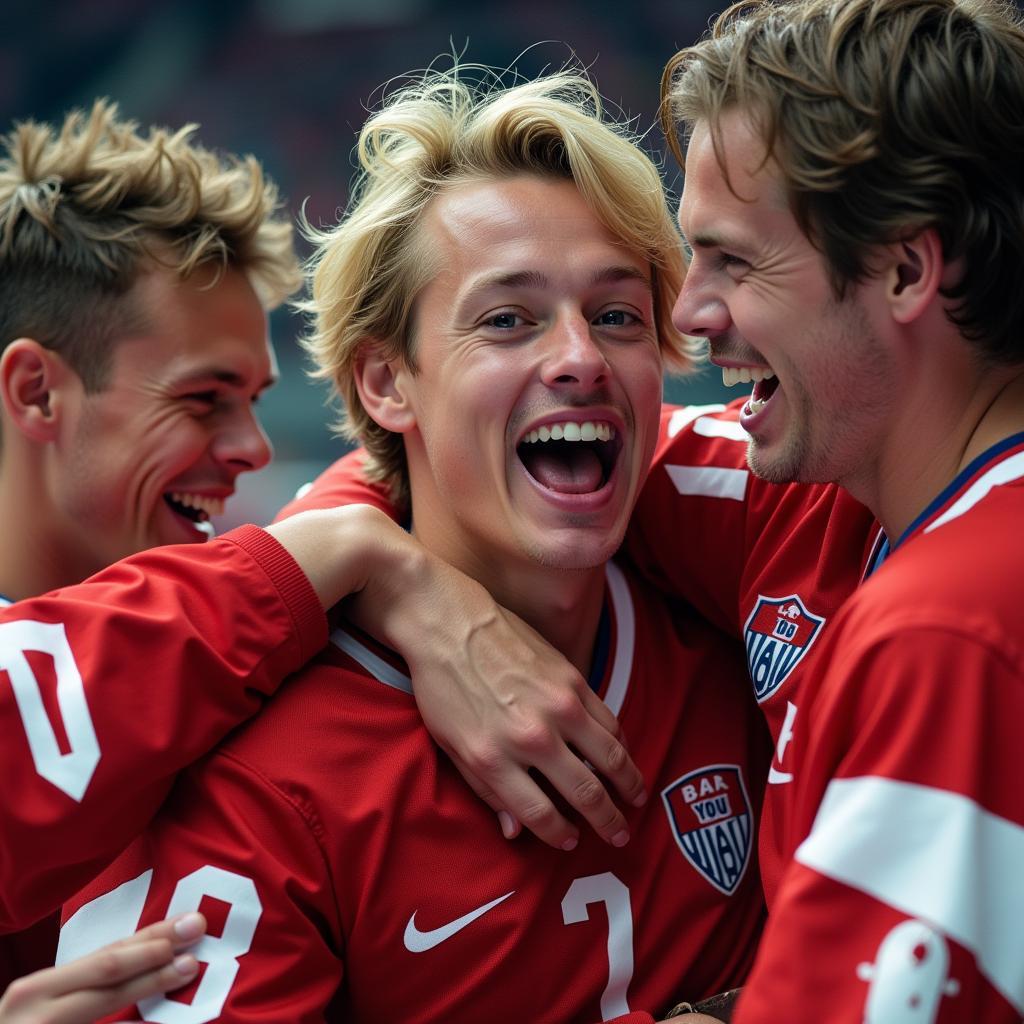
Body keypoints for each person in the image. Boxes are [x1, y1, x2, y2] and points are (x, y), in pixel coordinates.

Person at [287, 2, 1024, 1020]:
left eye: (732, 260)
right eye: (508, 319)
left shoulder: (944, 626)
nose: (689, 316)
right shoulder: (787, 490)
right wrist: (403, 581)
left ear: (904, 268)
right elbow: (442, 469)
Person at [62, 70, 770, 1024]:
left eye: (617, 317)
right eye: (507, 319)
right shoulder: (253, 781)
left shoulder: (752, 630)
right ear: (388, 381)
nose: (580, 357)